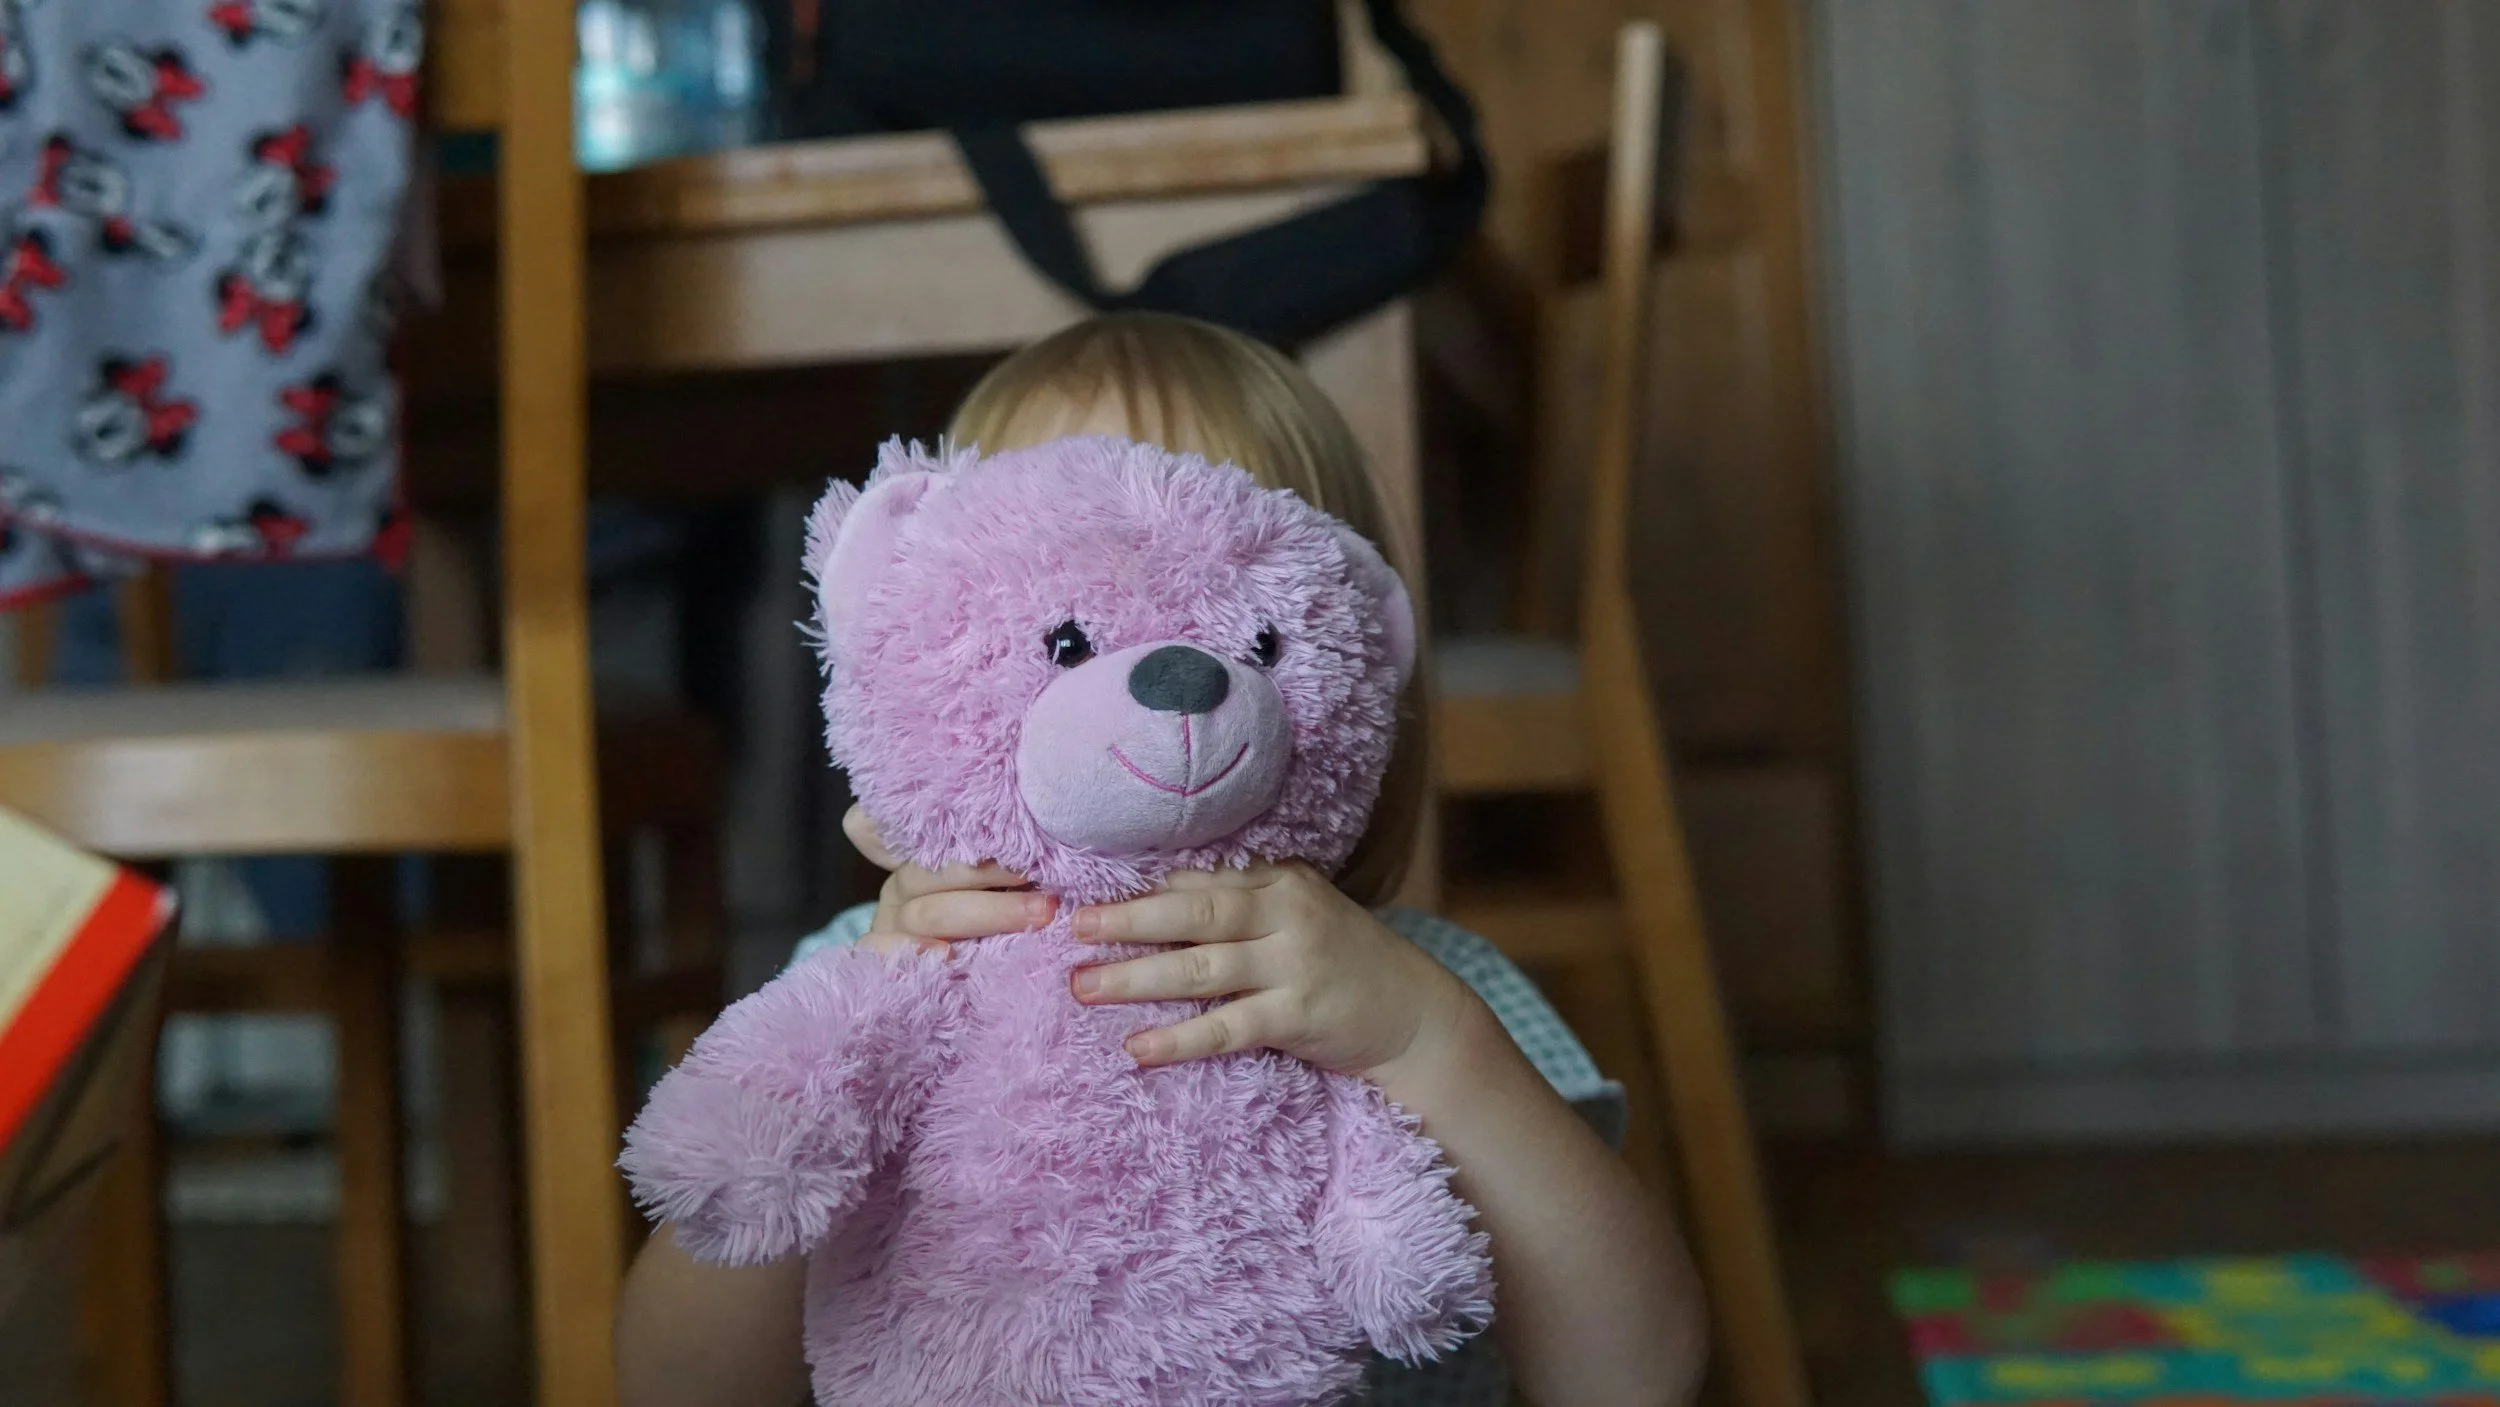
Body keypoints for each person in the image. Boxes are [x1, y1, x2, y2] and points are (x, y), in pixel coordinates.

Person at [615, 312, 1706, 1407]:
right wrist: (861, 1021)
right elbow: (675, 1384)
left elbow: (1636, 1373)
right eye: (1075, 626)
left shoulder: (1422, 989)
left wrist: (1425, 1043)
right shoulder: (867, 970)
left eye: (1224, 610)